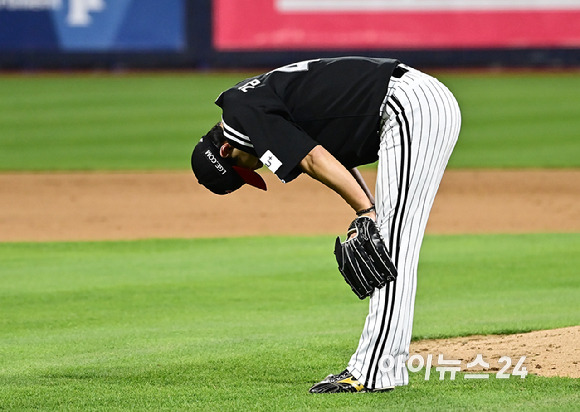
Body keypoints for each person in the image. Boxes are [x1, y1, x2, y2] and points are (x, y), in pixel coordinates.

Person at [191, 57, 461, 393]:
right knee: (388, 239)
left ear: (227, 150)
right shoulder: (249, 101)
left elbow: (312, 160)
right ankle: (378, 366)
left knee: (391, 247)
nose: (255, 170)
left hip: (407, 107)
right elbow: (331, 155)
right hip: (414, 102)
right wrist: (369, 209)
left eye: (245, 170)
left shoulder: (245, 116)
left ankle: (375, 372)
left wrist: (365, 211)